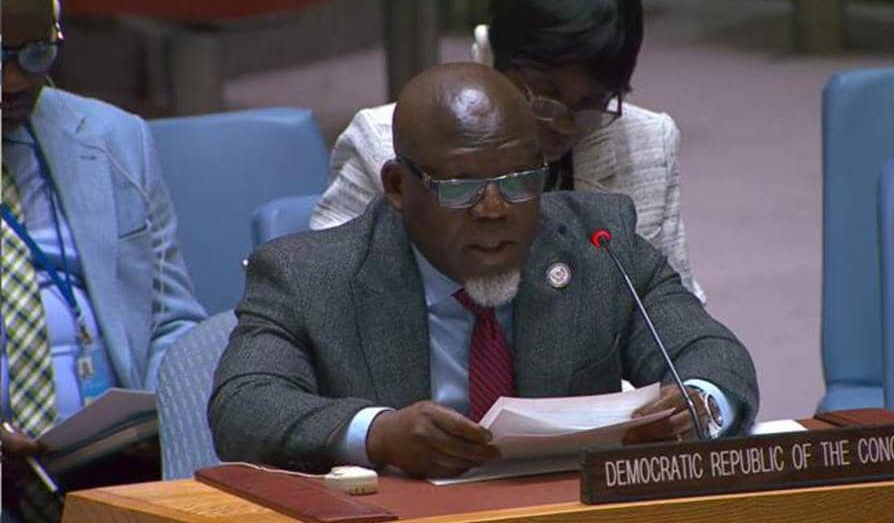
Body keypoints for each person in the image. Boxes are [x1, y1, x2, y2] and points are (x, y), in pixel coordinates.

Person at [210, 63, 757, 479]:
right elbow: (243, 404)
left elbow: (712, 353)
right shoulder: (306, 275)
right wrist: (378, 434)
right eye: (461, 187)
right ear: (398, 187)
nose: (494, 208)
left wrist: (697, 401)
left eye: (519, 180)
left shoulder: (599, 243)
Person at [310, 0, 706, 303]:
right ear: (489, 57)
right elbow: (322, 303)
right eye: (546, 96)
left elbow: (674, 307)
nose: (564, 124)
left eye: (592, 103)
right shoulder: (385, 144)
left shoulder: (648, 144)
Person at [1, 0, 206, 520]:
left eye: (35, 55)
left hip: (120, 476)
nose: (14, 82)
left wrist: (158, 418)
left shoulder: (116, 140)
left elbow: (173, 318)